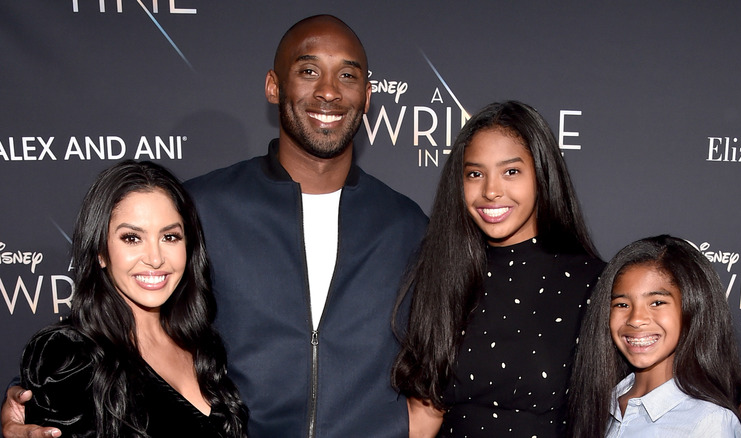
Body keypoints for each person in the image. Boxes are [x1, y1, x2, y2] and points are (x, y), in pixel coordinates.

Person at [3, 14, 426, 438]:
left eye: (347, 75)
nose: (329, 91)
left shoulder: (407, 226)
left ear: (368, 96)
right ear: (274, 86)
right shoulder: (197, 208)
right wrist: (32, 400)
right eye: (309, 71)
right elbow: (110, 328)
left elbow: (444, 356)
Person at [392, 100, 605, 437]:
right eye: (475, 174)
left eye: (511, 171)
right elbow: (422, 418)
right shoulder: (440, 274)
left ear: (542, 174)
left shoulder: (594, 284)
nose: (490, 191)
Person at [15, 160, 247, 437]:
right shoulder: (69, 354)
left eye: (170, 237)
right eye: (132, 238)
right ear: (100, 251)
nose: (155, 258)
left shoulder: (202, 344)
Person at [567, 235, 741, 437]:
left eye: (657, 302)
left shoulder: (710, 422)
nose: (636, 318)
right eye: (622, 304)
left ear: (692, 308)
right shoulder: (597, 403)